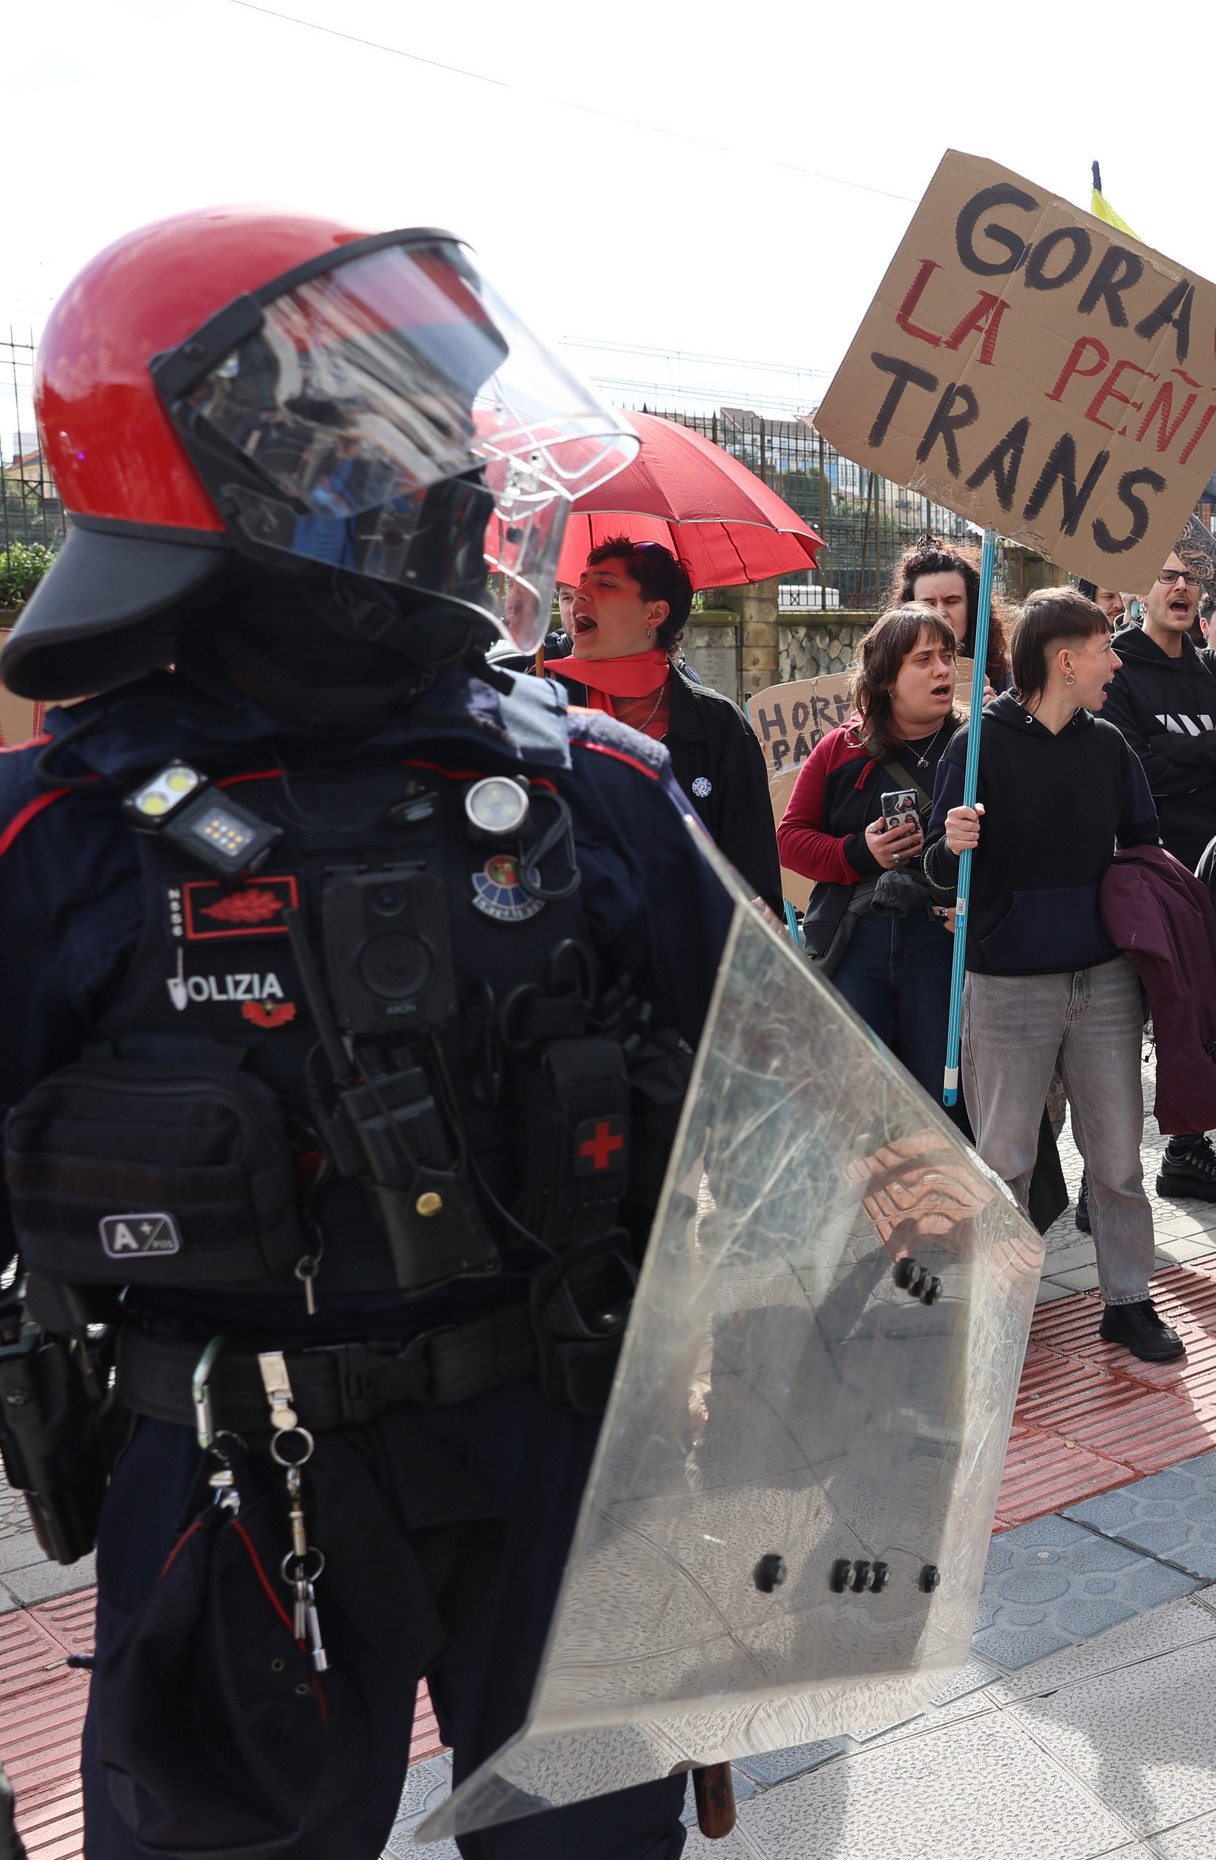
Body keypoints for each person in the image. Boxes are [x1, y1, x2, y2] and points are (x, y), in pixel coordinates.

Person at [0, 208, 731, 1858]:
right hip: (229, 1470)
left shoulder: (596, 793)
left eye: (456, 422)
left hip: (562, 1435)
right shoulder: (54, 837)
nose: (463, 472)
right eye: (407, 429)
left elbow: (769, 1151)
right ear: (234, 466)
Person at [928, 588, 1188, 1365]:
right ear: (1065, 661)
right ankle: (996, 1314)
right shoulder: (974, 746)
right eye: (1106, 649)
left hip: (1104, 985)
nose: (1117, 662)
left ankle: (1128, 1301)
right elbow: (937, 874)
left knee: (1117, 1161)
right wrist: (950, 843)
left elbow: (1142, 847)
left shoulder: (1109, 747)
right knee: (1006, 1161)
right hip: (1007, 987)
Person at [1104, 544, 1216, 1199]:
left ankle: (1187, 1152)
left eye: (1190, 577)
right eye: (1166, 575)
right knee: (1124, 1027)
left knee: (1200, 1020)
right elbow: (1134, 770)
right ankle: (1105, 1172)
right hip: (1147, 875)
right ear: (1139, 586)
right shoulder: (1118, 668)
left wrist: (1179, 749)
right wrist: (1212, 749)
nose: (1180, 587)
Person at [777, 604, 966, 1112]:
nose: (942, 670)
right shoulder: (840, 748)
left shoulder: (975, 747)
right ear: (886, 679)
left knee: (945, 1102)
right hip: (856, 941)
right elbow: (790, 839)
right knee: (855, 1102)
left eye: (947, 656)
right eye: (923, 659)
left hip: (944, 947)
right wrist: (861, 851)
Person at [552, 534, 780, 895]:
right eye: (581, 581)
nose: (579, 593)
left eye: (605, 584)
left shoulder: (719, 724)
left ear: (655, 613)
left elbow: (755, 876)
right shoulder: (540, 701)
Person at [897, 540, 1013, 688]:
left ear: (972, 607)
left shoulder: (1008, 676)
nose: (940, 613)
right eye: (928, 604)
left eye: (951, 601)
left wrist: (998, 703)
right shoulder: (891, 675)